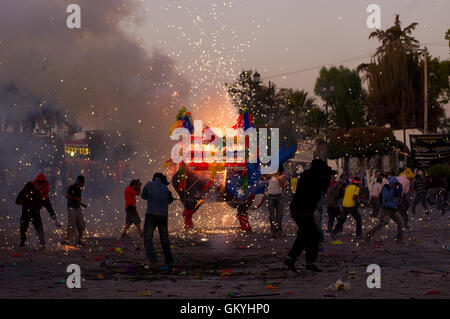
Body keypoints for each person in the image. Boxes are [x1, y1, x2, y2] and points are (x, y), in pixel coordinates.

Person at [284, 159, 332, 273]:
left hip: (300, 209)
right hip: (303, 210)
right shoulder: (313, 178)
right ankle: (306, 262)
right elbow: (323, 189)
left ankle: (292, 259)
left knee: (305, 235)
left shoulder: (307, 175)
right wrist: (328, 176)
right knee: (312, 235)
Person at [16, 174, 60, 248]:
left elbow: (48, 208)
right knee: (23, 227)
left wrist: (55, 221)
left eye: (41, 184)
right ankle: (23, 241)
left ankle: (42, 243)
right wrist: (24, 202)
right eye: (39, 184)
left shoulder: (43, 193)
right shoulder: (29, 186)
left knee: (39, 227)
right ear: (36, 183)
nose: (40, 186)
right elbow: (19, 199)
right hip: (26, 211)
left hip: (35, 212)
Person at [141, 172, 175, 267]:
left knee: (147, 238)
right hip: (163, 216)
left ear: (154, 178)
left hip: (151, 215)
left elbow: (143, 196)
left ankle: (153, 259)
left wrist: (151, 197)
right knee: (164, 239)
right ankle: (169, 260)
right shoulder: (165, 188)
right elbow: (170, 200)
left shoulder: (148, 185)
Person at [366, 176, 404, 243]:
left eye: (395, 184)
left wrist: (400, 186)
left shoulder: (394, 188)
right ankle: (369, 235)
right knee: (381, 225)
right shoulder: (385, 188)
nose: (395, 185)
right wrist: (392, 189)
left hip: (393, 209)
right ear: (392, 182)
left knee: (400, 222)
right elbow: (387, 197)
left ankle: (399, 238)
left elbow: (398, 194)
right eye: (394, 184)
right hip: (386, 209)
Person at [61, 175, 88, 246]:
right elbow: (67, 196)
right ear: (81, 182)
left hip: (77, 208)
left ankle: (79, 240)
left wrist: (82, 204)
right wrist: (76, 199)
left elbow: (77, 200)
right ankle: (65, 240)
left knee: (81, 225)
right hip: (71, 208)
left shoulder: (79, 190)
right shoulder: (72, 188)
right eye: (83, 182)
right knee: (71, 225)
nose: (84, 183)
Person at [266, 170, 286, 237]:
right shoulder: (269, 175)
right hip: (270, 196)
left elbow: (283, 186)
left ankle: (279, 231)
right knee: (272, 216)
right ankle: (273, 232)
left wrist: (281, 179)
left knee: (279, 215)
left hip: (279, 196)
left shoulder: (281, 176)